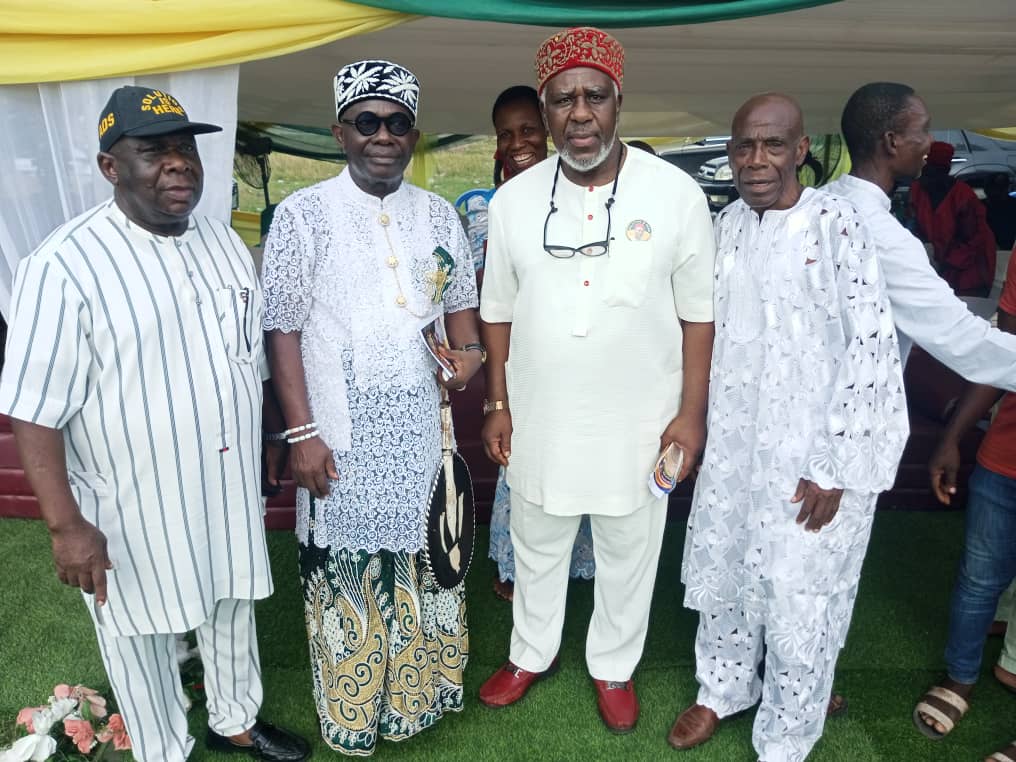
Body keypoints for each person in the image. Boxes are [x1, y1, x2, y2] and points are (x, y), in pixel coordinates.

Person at [0, 85, 309, 762]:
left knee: (231, 601)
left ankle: (235, 718)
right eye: (153, 151)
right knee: (137, 630)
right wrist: (65, 526)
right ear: (112, 168)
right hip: (131, 497)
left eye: (184, 147)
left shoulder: (223, 240)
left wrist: (266, 435)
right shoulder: (61, 266)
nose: (178, 164)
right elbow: (32, 408)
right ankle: (165, 749)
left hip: (225, 476)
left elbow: (244, 357)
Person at [478, 27, 716, 734]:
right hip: (542, 415)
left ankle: (613, 666)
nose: (579, 113)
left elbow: (699, 318)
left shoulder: (676, 194)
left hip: (642, 419)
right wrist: (497, 402)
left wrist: (692, 414)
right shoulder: (513, 201)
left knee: (628, 548)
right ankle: (530, 653)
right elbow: (496, 313)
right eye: (562, 100)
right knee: (537, 539)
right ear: (546, 112)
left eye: (594, 97)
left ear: (618, 103)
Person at [671, 93, 909, 761]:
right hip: (738, 452)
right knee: (728, 577)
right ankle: (722, 689)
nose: (755, 160)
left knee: (799, 597)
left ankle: (786, 732)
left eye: (772, 145)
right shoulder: (728, 227)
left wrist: (838, 467)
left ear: (801, 150)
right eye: (743, 145)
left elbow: (871, 349)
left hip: (813, 458)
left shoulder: (837, 224)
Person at [261, 60, 481, 756]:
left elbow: (463, 317)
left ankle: (417, 698)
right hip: (337, 428)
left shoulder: (438, 214)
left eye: (398, 123)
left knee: (422, 556)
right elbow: (283, 329)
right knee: (349, 568)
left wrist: (469, 358)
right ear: (340, 132)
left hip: (420, 425)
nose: (383, 135)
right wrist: (301, 432)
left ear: (414, 134)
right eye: (368, 122)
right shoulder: (303, 215)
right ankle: (354, 709)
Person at [483, 85, 595, 602]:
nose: (518, 142)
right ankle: (520, 571)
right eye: (506, 134)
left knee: (583, 470)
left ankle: (579, 573)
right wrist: (498, 398)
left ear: (549, 130)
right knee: (525, 478)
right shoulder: (501, 206)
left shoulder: (583, 191)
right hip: (525, 373)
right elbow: (496, 310)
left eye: (528, 129)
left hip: (586, 369)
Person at [912, 249, 1016, 760]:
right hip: (1007, 454)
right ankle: (961, 676)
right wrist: (952, 436)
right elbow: (1004, 351)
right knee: (979, 576)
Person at [909, 140, 997, 297]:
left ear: (946, 171)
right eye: (926, 171)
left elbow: (973, 239)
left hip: (970, 263)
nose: (927, 177)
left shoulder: (963, 196)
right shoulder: (918, 190)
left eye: (934, 172)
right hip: (942, 260)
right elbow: (915, 228)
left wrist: (946, 263)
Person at [983, 172, 1016, 251]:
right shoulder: (980, 207)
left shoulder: (1013, 205)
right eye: (998, 187)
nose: (1001, 191)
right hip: (987, 249)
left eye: (1003, 187)